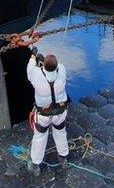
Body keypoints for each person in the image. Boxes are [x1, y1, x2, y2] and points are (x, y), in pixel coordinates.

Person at [25, 46, 69, 176]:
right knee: (60, 133)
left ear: (43, 66)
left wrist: (34, 55)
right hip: (60, 112)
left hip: (43, 114)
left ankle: (36, 165)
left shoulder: (36, 74)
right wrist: (46, 61)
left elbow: (30, 68)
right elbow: (55, 66)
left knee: (40, 137)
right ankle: (64, 158)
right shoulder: (62, 71)